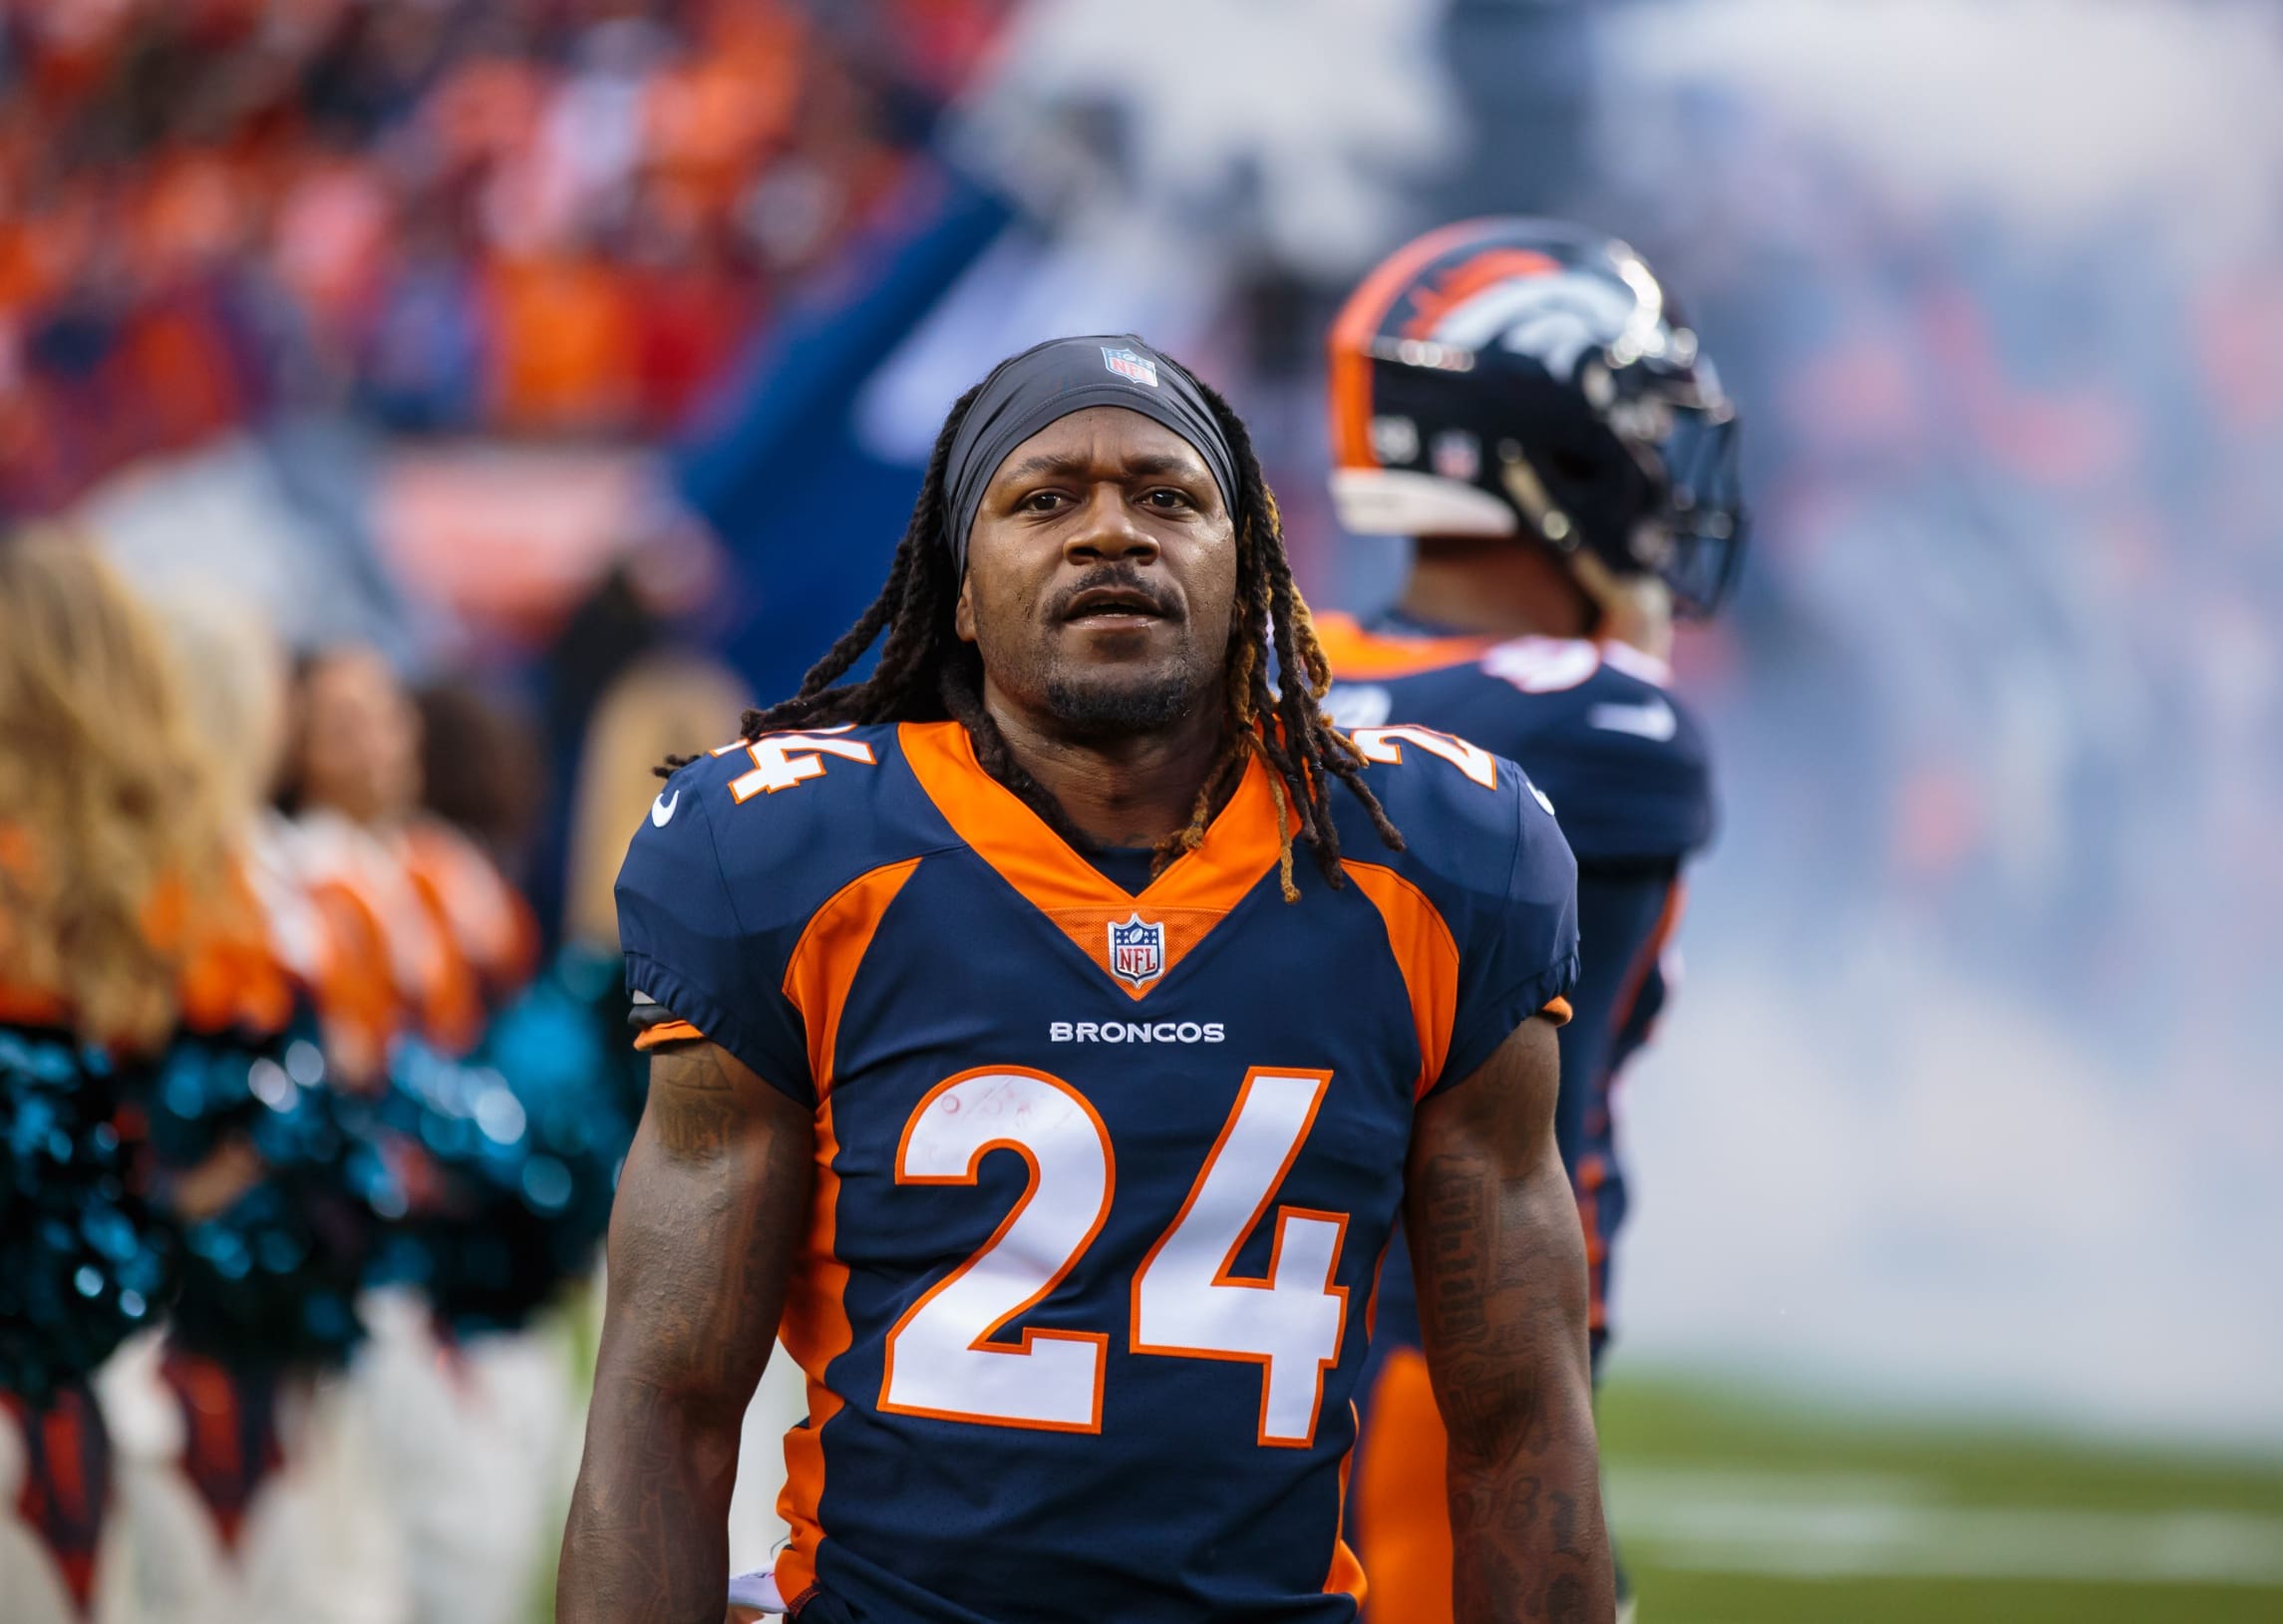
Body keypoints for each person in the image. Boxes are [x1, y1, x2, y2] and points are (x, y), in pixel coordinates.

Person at [561, 334, 1609, 1623]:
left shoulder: (1433, 859)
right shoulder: (792, 855)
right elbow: (665, 1401)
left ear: (1252, 572)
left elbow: (1517, 1415)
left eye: (1169, 497)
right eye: (1044, 497)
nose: (1111, 532)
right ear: (955, 586)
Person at [1312, 218, 1748, 1624]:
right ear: (1538, 440)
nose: (1660, 468)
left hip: (1265, 1360)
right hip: (1443, 1379)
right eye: (1632, 424)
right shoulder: (1602, 720)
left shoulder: (1269, 672)